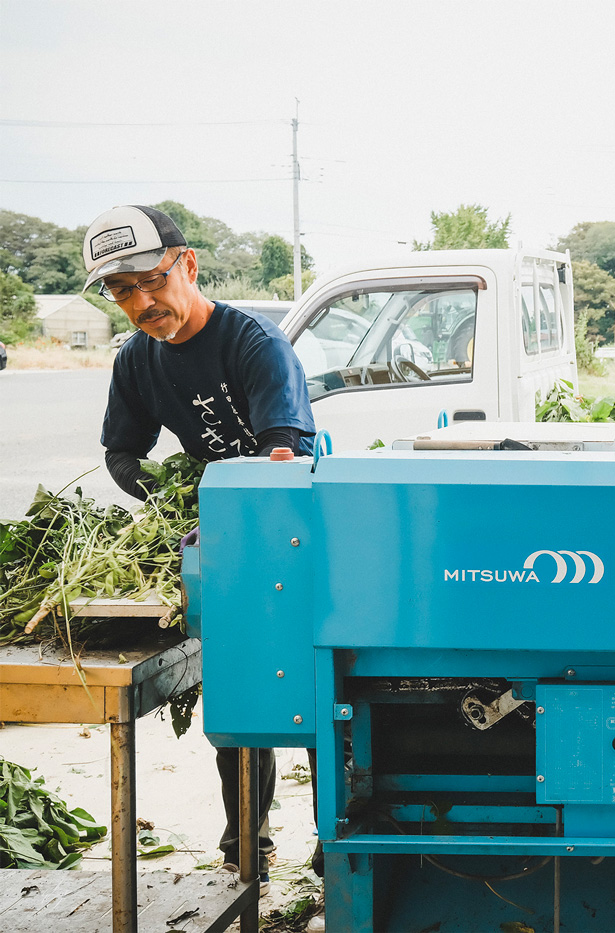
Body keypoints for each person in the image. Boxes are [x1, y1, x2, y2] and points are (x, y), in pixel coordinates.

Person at [83, 204, 317, 893]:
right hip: (217, 547)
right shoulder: (138, 359)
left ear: (187, 264)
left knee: (323, 695)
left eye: (151, 280)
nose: (142, 302)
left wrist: (225, 511)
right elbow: (122, 450)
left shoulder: (254, 343)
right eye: (121, 291)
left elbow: (284, 452)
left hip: (296, 535)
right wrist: (170, 497)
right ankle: (248, 845)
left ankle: (340, 845)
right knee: (241, 700)